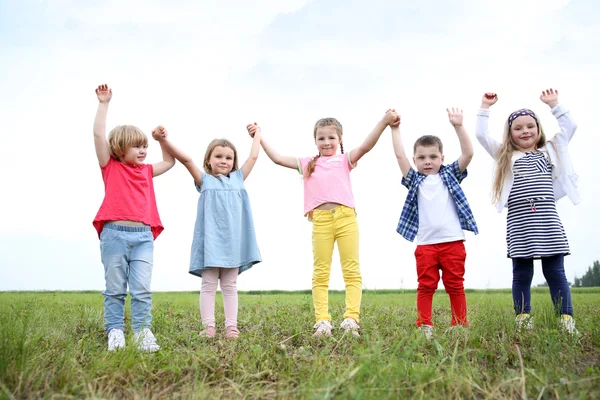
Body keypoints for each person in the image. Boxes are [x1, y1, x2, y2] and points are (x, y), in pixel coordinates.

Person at [248, 111, 398, 337]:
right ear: (315, 141)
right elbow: (278, 159)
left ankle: (351, 319)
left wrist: (385, 122)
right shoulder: (308, 163)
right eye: (321, 138)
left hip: (346, 218)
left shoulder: (345, 160)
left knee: (351, 271)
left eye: (331, 138)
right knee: (320, 272)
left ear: (339, 140)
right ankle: (323, 321)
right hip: (321, 221)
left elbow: (367, 145)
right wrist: (259, 136)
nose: (326, 142)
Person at [476, 88, 579, 333]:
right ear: (510, 134)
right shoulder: (506, 155)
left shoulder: (551, 150)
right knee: (521, 273)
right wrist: (484, 108)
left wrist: (555, 104)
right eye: (518, 128)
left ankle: (565, 319)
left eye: (530, 126)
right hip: (520, 223)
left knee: (555, 272)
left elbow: (570, 127)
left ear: (538, 129)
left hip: (547, 221)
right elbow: (481, 135)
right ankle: (523, 318)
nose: (525, 131)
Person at [153, 124, 262, 339]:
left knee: (230, 285)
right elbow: (186, 160)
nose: (224, 161)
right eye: (219, 156)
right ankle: (209, 326)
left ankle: (232, 326)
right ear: (208, 160)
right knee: (209, 284)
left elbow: (253, 157)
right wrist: (163, 140)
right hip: (211, 242)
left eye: (229, 158)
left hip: (233, 243)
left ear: (234, 162)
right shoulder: (204, 180)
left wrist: (257, 135)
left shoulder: (238, 179)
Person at [92, 84, 175, 351]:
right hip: (114, 234)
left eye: (144, 146)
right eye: (136, 147)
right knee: (115, 288)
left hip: (142, 237)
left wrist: (162, 139)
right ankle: (115, 331)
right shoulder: (110, 166)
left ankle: (142, 332)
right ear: (118, 150)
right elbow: (97, 135)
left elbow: (170, 161)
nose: (142, 151)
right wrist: (104, 103)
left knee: (141, 288)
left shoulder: (147, 171)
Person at [392, 108, 478, 339]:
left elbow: (468, 153)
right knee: (426, 286)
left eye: (432, 157)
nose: (427, 161)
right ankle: (425, 326)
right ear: (415, 160)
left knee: (455, 285)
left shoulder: (449, 175)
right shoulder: (414, 181)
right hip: (426, 245)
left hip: (453, 243)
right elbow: (399, 156)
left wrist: (459, 127)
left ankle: (459, 324)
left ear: (442, 157)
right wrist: (395, 128)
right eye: (421, 158)